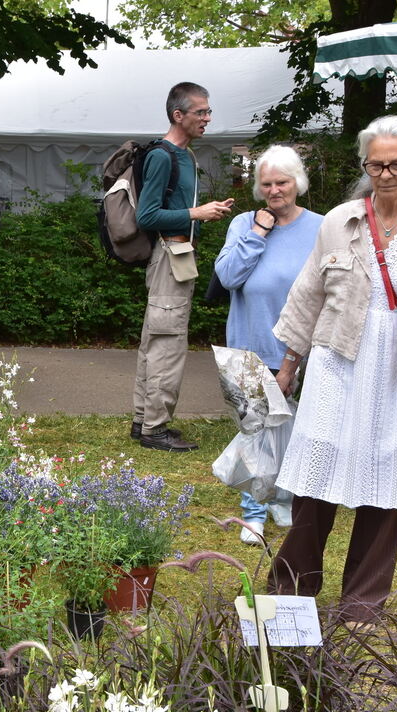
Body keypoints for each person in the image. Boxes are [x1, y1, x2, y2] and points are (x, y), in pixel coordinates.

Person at [268, 115, 397, 625]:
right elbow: (307, 297)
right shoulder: (340, 221)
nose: (385, 174)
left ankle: (362, 606)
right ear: (365, 166)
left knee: (387, 485)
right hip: (338, 365)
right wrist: (287, 367)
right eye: (375, 164)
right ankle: (288, 595)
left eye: (396, 164)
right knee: (316, 478)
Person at [215, 145, 322, 545]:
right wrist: (259, 233)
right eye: (267, 184)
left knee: (298, 429)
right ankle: (253, 514)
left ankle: (284, 499)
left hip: (303, 345)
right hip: (248, 344)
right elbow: (228, 276)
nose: (275, 190)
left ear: (298, 183)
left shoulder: (320, 226)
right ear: (258, 188)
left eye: (283, 182)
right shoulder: (244, 224)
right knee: (254, 430)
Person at [133, 82, 234, 452]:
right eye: (201, 112)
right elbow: (147, 215)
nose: (208, 118)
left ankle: (144, 420)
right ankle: (154, 429)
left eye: (208, 111)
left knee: (157, 339)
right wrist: (196, 213)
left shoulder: (185, 155)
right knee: (167, 343)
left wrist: (202, 215)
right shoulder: (163, 156)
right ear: (179, 115)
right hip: (168, 257)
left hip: (179, 255)